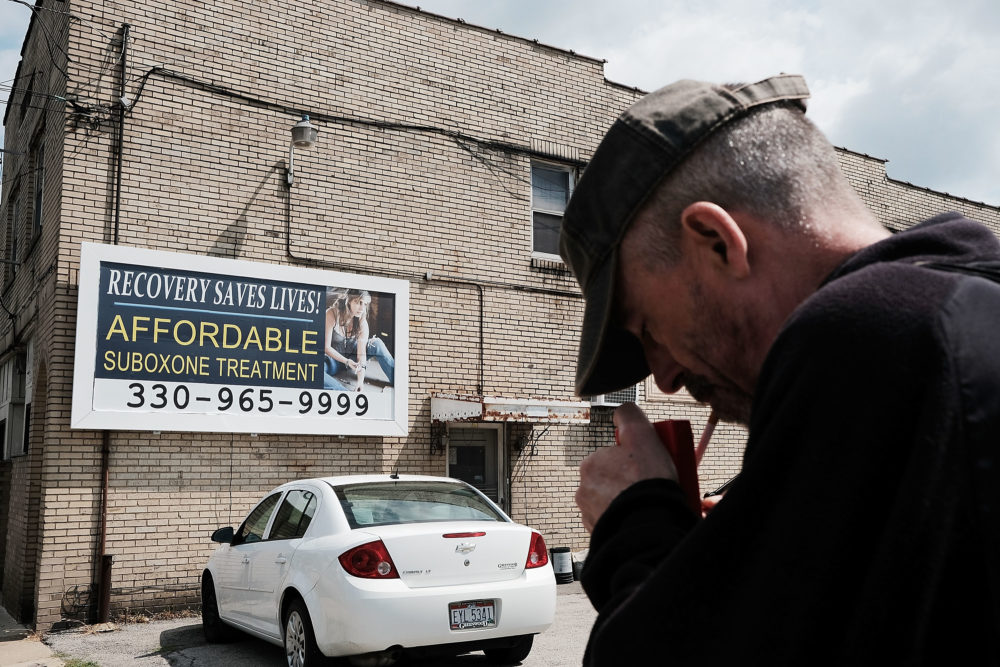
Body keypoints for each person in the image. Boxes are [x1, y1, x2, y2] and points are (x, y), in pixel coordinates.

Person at [559, 74, 1000, 664]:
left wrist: (634, 525)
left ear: (718, 242)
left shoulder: (868, 334)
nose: (662, 376)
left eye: (647, 330)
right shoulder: (963, 312)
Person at [323, 288, 395, 391]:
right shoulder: (332, 313)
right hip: (333, 360)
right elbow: (326, 348)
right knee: (315, 371)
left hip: (353, 358)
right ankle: (343, 394)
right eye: (358, 302)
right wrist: (347, 361)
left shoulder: (362, 322)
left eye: (365, 304)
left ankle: (399, 380)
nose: (362, 308)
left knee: (377, 343)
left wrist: (360, 382)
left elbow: (361, 354)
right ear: (348, 301)